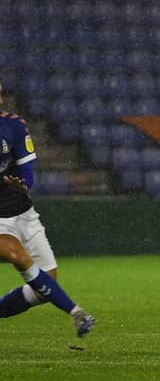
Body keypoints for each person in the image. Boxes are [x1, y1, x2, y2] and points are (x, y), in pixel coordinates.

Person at [0, 80, 95, 337]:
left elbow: (28, 175)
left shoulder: (14, 126)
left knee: (45, 286)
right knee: (16, 255)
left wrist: (22, 185)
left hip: (23, 214)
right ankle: (76, 313)